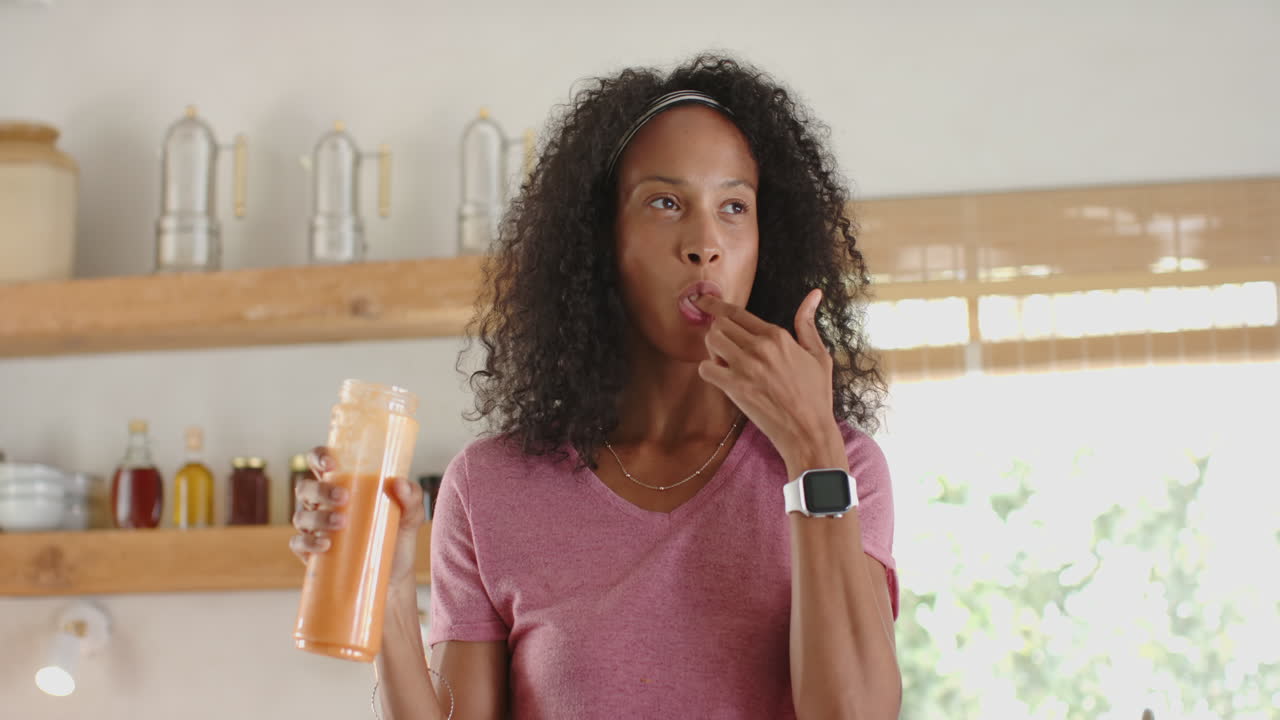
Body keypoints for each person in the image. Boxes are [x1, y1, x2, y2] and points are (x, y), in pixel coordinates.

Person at [292, 52, 900, 719]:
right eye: (665, 203)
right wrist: (382, 591)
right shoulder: (492, 486)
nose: (705, 243)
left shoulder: (843, 469)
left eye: (734, 206)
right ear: (600, 240)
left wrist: (812, 447)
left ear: (766, 240)